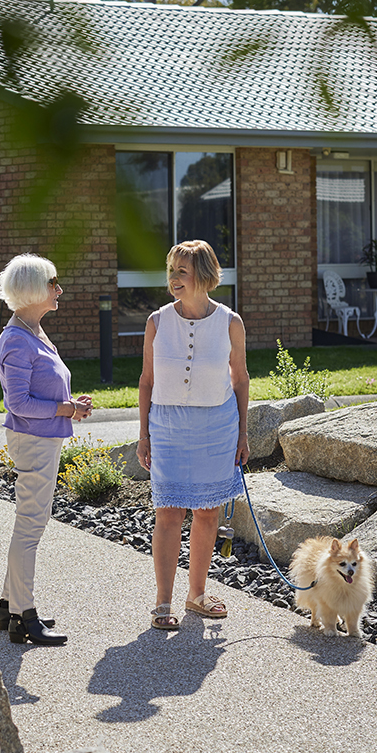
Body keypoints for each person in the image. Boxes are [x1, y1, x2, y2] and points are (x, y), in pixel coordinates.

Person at [137, 240, 250, 630]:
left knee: (207, 513)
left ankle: (197, 594)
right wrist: (143, 434)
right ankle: (163, 603)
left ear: (203, 276)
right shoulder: (156, 322)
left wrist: (243, 434)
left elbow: (240, 380)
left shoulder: (231, 323)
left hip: (217, 428)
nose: (172, 279)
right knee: (168, 513)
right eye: (170, 271)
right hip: (167, 427)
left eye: (180, 272)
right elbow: (147, 380)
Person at [0, 253, 93, 646]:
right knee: (31, 527)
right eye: (54, 283)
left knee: (28, 524)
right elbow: (17, 402)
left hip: (40, 438)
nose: (59, 290)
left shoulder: (31, 332)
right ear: (35, 289)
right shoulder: (16, 340)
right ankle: (25, 617)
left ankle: (8, 607)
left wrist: (69, 402)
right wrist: (65, 409)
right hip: (33, 441)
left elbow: (40, 388)